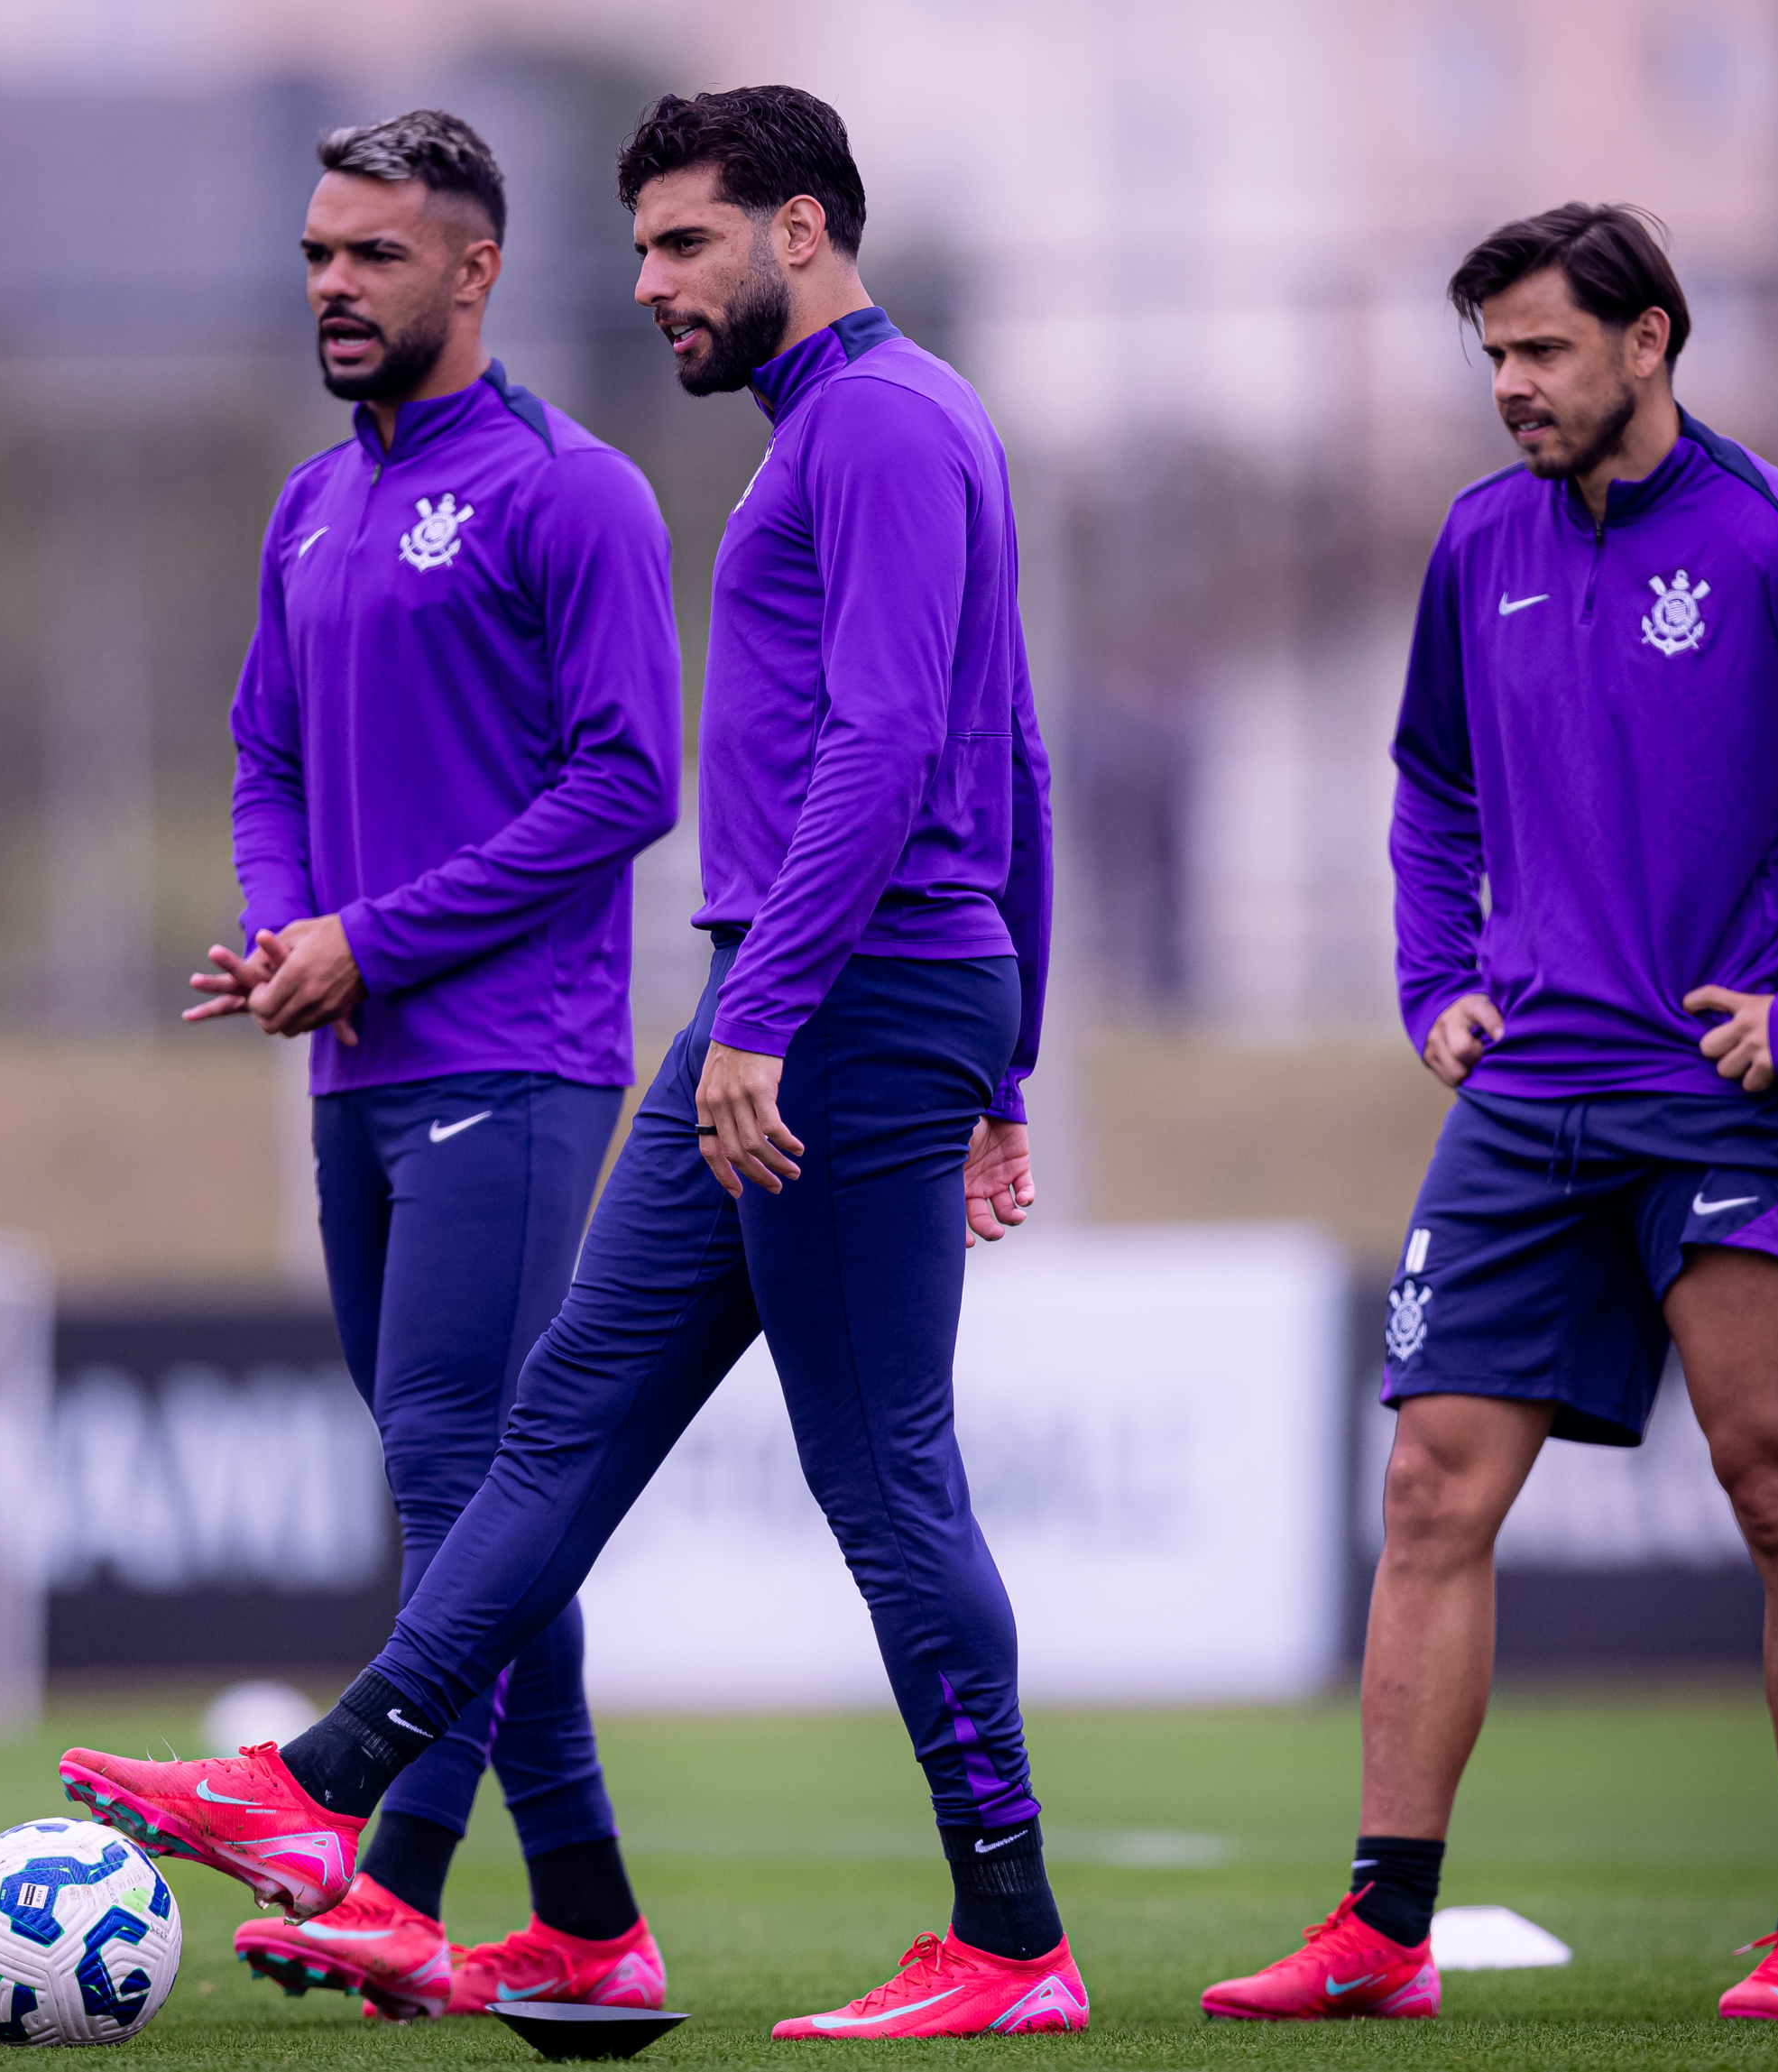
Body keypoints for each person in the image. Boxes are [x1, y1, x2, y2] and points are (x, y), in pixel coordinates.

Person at [63, 84, 1082, 2042]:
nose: (653, 287)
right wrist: (1008, 1054)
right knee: (559, 1437)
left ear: (798, 230)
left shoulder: (873, 422)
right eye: (640, 250)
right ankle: (326, 1795)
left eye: (685, 244)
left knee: (882, 1475)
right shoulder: (876, 426)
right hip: (833, 990)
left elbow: (890, 751)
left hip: (836, 998)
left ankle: (1014, 1938)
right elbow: (1010, 749)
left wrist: (780, 1015)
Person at [1201, 204, 1778, 2025]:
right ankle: (1382, 1934)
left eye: (1541, 351)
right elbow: (1428, 780)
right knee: (1428, 1492)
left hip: (1719, 1113)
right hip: (1523, 1105)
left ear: (1648, 341)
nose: (1508, 387)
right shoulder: (1478, 538)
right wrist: (1432, 981)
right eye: (1491, 354)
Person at [159, 109, 683, 2022]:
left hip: (521, 1063)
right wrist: (296, 925)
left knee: (465, 1482)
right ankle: (598, 1927)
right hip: (358, 1074)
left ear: (473, 270)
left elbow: (630, 778)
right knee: (456, 1504)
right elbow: (264, 753)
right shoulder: (312, 503)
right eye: (317, 253)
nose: (333, 286)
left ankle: (396, 1881)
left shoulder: (572, 490)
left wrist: (370, 942)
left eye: (374, 255)